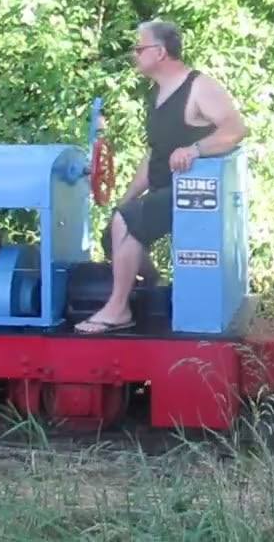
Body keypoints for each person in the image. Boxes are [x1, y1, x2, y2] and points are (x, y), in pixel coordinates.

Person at [74, 19, 247, 334]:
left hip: (194, 193)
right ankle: (151, 285)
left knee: (126, 222)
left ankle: (118, 308)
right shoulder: (154, 94)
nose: (134, 55)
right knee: (116, 225)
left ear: (161, 51)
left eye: (139, 48)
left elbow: (235, 130)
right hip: (163, 188)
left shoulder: (199, 87)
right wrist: (125, 199)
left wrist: (196, 149)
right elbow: (154, 155)